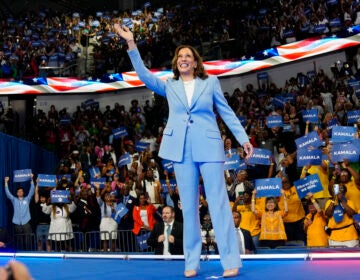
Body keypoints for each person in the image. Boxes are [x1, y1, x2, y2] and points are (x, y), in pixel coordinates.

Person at [114, 24, 253, 278]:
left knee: (219, 204)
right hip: (181, 150)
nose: (183, 59)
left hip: (210, 147)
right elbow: (144, 76)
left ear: (196, 62)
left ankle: (230, 261)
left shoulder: (210, 82)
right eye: (180, 57)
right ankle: (191, 262)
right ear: (176, 63)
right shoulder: (170, 85)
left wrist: (243, 138)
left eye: (188, 56)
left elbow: (226, 111)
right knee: (187, 208)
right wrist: (131, 44)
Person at [4, 175, 35, 251]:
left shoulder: (27, 199)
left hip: (26, 222)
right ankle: (20, 253)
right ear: (17, 193)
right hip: (17, 222)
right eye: (19, 191)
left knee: (28, 239)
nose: (20, 192)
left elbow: (32, 190)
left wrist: (31, 179)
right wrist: (6, 182)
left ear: (23, 193)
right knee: (19, 240)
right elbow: (8, 193)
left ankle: (29, 253)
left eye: (21, 191)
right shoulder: (14, 200)